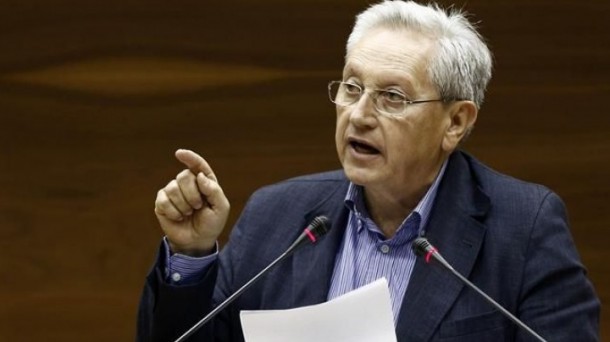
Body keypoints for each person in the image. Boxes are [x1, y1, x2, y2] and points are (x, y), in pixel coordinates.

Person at [137, 1, 600, 341]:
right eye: (352, 86)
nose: (358, 115)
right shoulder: (276, 217)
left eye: (392, 97)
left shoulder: (524, 227)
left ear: (455, 122)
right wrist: (192, 254)